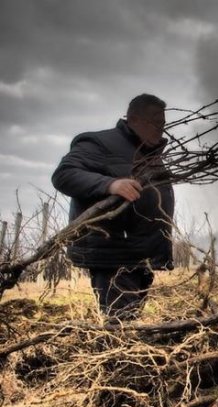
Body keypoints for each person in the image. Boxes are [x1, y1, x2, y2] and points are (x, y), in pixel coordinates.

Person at [53, 93, 175, 320]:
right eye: (155, 123)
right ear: (134, 120)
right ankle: (113, 354)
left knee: (126, 322)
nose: (161, 130)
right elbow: (64, 175)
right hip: (114, 254)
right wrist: (110, 184)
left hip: (140, 255)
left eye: (163, 124)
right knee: (121, 324)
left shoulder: (148, 154)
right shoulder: (100, 143)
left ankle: (118, 352)